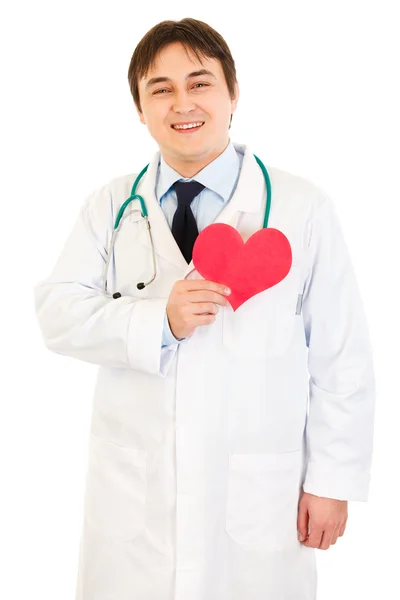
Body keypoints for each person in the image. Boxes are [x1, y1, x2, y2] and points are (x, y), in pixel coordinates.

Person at [33, 17, 376, 600]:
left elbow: (341, 356)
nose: (182, 103)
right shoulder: (111, 206)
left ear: (232, 94)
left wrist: (332, 481)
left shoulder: (301, 207)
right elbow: (57, 313)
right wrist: (157, 320)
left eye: (200, 83)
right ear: (139, 109)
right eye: (160, 89)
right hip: (135, 496)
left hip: (255, 491)